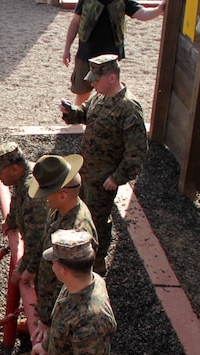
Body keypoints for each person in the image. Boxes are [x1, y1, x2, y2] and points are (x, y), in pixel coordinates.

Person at [60, 54, 147, 274]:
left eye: (96, 80)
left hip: (103, 179)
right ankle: (77, 258)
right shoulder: (100, 97)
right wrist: (71, 113)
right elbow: (85, 114)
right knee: (80, 216)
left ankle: (95, 264)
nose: (92, 83)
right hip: (87, 172)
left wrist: (117, 178)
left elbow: (136, 152)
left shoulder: (129, 109)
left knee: (97, 223)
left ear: (111, 77)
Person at [62, 0, 166, 105]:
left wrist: (159, 9)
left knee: (109, 91)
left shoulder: (123, 0)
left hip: (110, 55)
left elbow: (142, 14)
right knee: (82, 90)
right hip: (86, 52)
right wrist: (67, 48)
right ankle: (77, 118)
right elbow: (75, 23)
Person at [26, 154, 96, 350]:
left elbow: (70, 285)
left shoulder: (76, 233)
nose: (45, 199)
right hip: (48, 300)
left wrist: (50, 323)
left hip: (62, 315)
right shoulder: (59, 209)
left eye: (47, 193)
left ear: (63, 195)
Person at [0, 142, 48, 355]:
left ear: (15, 168)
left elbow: (38, 239)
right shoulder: (22, 181)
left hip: (51, 257)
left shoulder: (33, 191)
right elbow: (16, 202)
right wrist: (12, 220)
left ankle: (45, 352)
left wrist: (27, 268)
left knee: (49, 298)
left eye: (0, 172)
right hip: (44, 250)